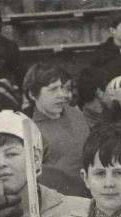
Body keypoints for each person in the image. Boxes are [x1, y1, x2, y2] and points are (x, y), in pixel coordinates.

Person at [24, 63, 90, 197]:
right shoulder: (29, 129)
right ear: (32, 94)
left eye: (61, 87)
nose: (61, 94)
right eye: (53, 90)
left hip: (92, 195)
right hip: (60, 202)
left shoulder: (76, 114)